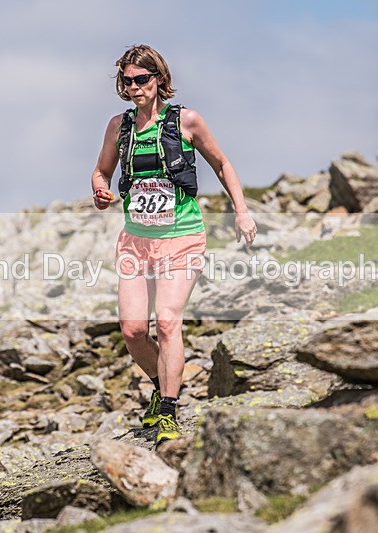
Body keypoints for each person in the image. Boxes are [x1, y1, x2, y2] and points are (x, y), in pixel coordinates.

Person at [91, 44, 256, 445]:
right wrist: (100, 191)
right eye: (127, 82)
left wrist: (242, 210)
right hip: (135, 240)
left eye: (141, 80)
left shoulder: (187, 120)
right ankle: (159, 384)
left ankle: (168, 408)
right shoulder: (119, 126)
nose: (134, 88)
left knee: (167, 321)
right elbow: (101, 172)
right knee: (132, 330)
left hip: (181, 237)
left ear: (159, 80)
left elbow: (222, 163)